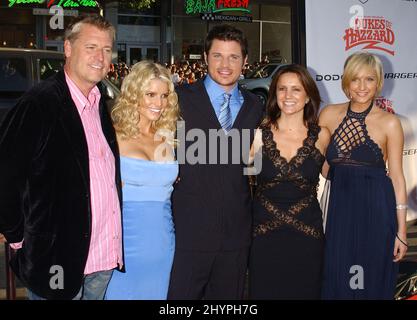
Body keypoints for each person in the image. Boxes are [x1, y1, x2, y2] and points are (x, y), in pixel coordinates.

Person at [0, 15, 122, 300]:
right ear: (67, 48)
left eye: (106, 50)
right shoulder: (38, 103)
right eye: (91, 47)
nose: (100, 57)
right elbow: (4, 177)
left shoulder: (98, 103)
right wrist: (20, 238)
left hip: (101, 259)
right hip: (57, 261)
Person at [167, 24, 264, 300]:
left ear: (245, 61)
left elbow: (252, 164)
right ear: (206, 57)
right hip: (189, 234)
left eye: (234, 57)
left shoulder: (254, 105)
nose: (225, 64)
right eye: (218, 55)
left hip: (235, 235)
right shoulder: (179, 99)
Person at [319, 51, 407, 299]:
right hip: (338, 214)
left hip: (376, 214)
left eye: (369, 79)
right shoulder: (328, 115)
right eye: (355, 79)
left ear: (378, 82)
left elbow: (398, 177)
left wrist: (401, 231)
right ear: (346, 81)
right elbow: (321, 167)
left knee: (370, 281)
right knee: (337, 279)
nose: (361, 86)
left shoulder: (390, 123)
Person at [248, 64, 330, 299]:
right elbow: (234, 180)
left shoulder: (322, 135)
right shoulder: (257, 134)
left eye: (296, 89)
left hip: (307, 238)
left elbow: (337, 176)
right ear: (274, 94)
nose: (288, 96)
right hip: (264, 238)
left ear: (307, 97)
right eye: (282, 89)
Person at [105, 61, 180, 300]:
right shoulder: (111, 134)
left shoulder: (167, 135)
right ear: (134, 94)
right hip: (123, 244)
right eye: (150, 94)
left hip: (162, 243)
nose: (159, 103)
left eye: (164, 96)